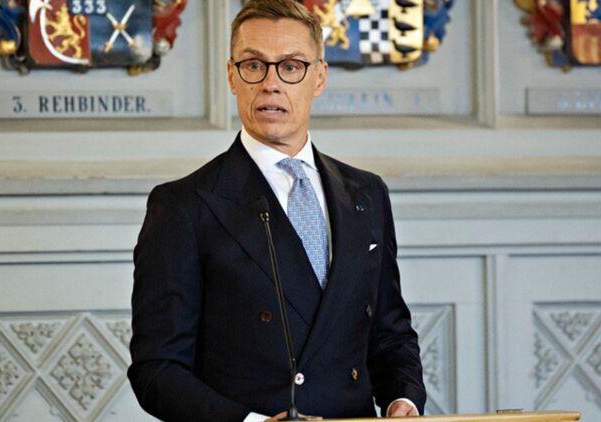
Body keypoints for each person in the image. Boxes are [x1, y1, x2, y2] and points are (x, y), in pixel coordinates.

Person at [128, 0, 426, 420]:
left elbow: (391, 336)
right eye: (254, 65)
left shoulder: (367, 193)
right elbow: (157, 370)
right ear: (232, 76)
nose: (271, 83)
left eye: (291, 66)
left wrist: (403, 400)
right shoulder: (183, 206)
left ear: (319, 77)